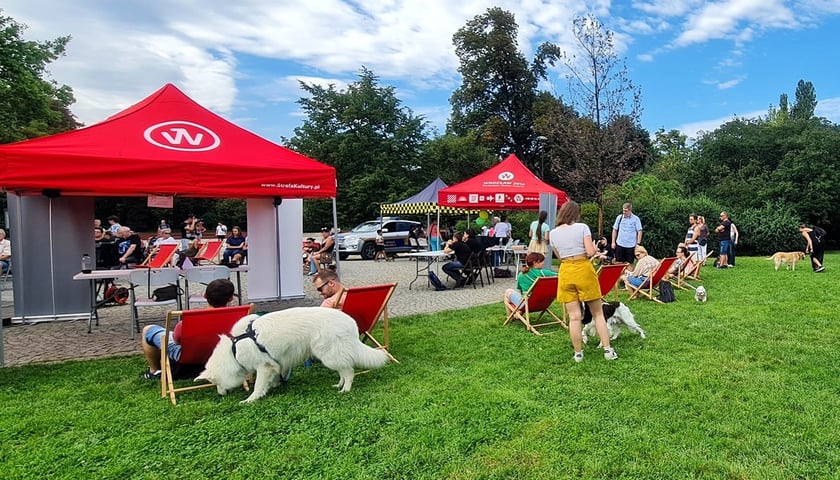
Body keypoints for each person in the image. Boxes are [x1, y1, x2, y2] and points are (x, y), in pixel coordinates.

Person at [549, 200, 618, 362]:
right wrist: (594, 248)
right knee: (598, 313)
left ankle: (578, 353)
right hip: (583, 269)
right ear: (576, 214)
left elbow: (559, 256)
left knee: (574, 317)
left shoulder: (553, 233)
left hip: (566, 271)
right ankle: (607, 350)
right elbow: (589, 251)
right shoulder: (582, 228)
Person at [140, 278, 236, 380]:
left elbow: (177, 341)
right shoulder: (237, 319)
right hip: (221, 352)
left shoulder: (188, 322)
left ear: (204, 295)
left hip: (188, 355)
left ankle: (154, 371)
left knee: (148, 330)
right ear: (231, 298)